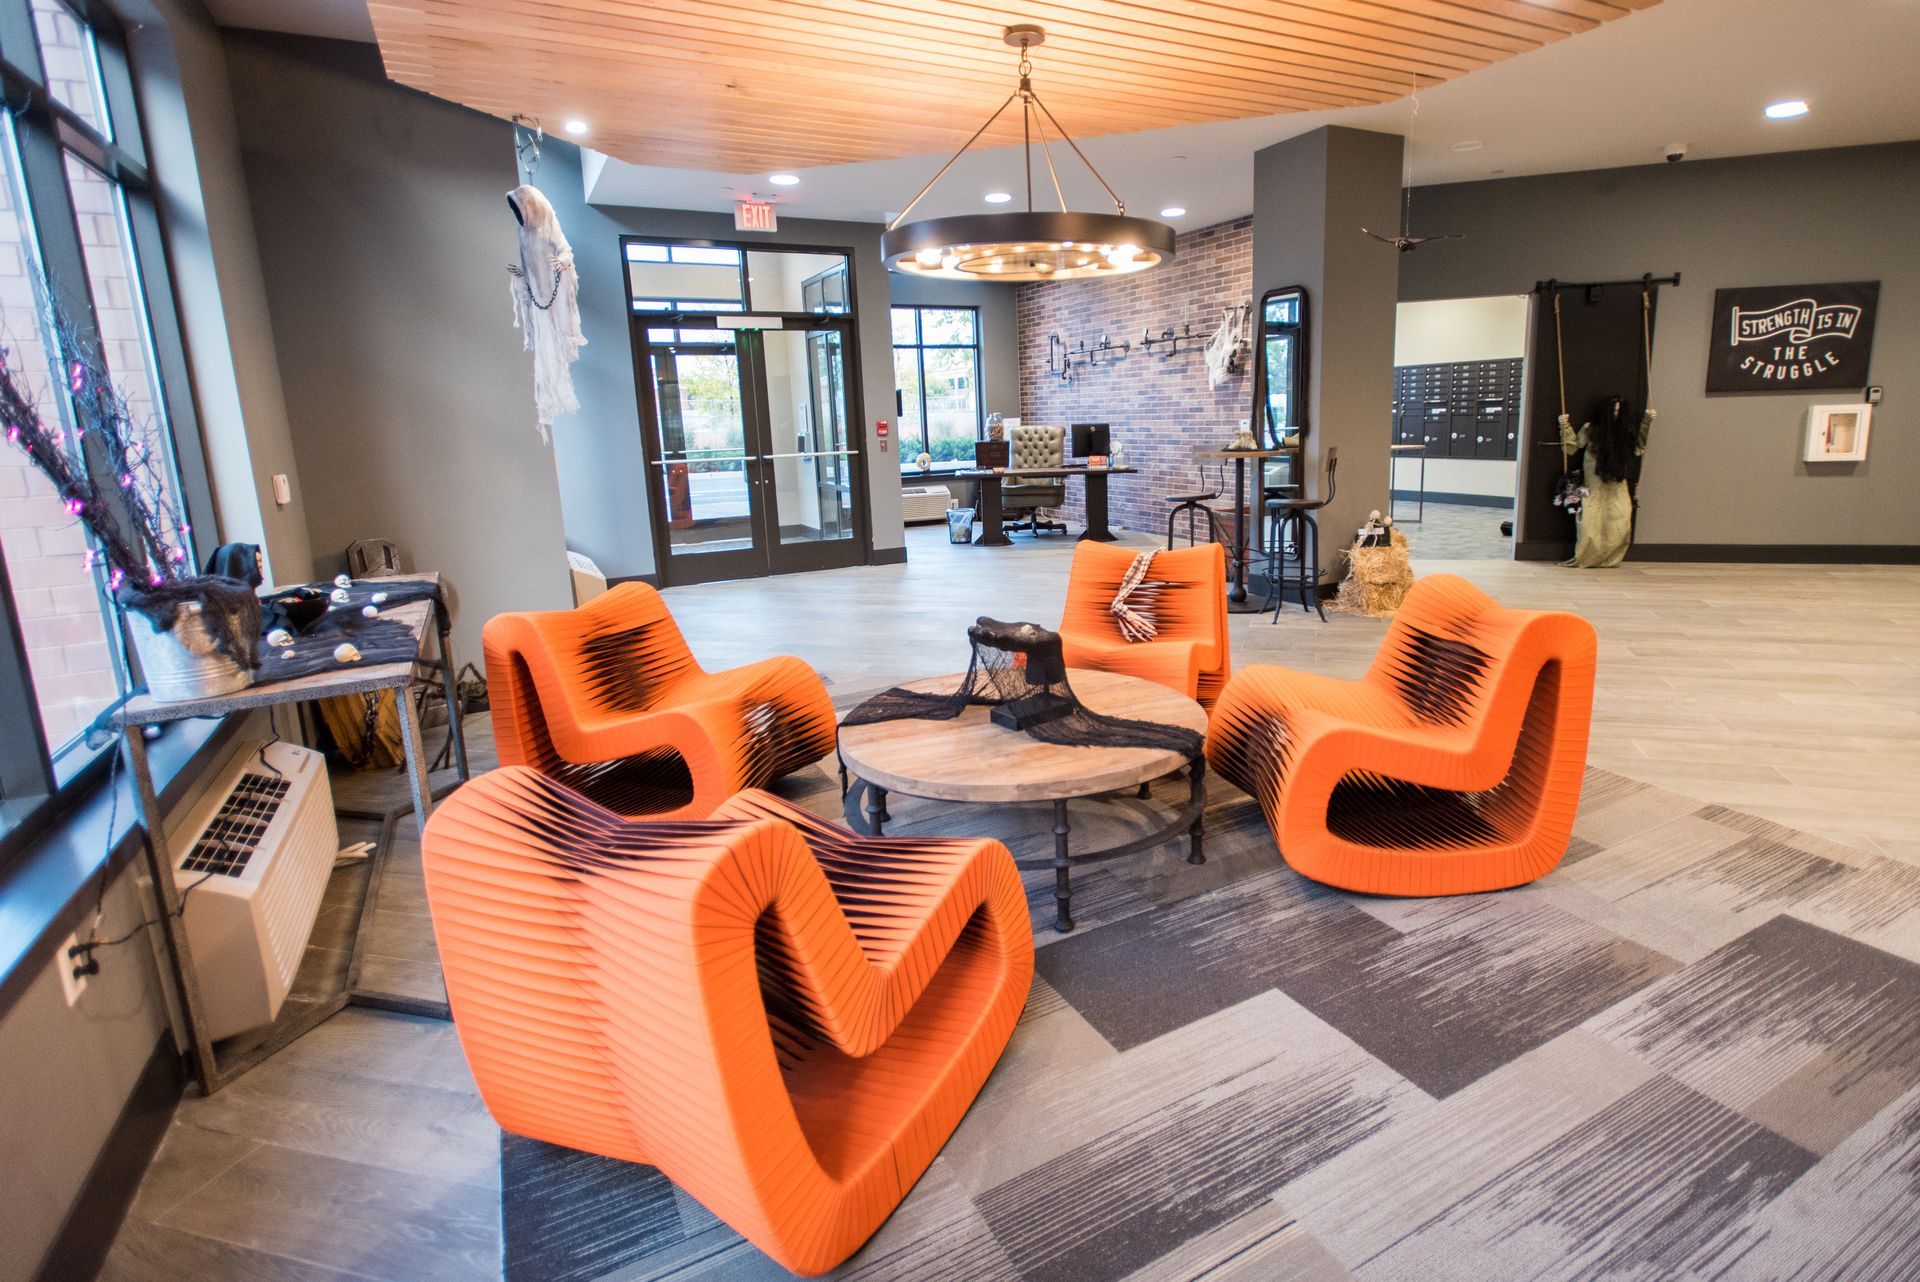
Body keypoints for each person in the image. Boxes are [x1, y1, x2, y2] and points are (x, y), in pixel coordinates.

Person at [1558, 396, 1653, 569]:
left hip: (1617, 482)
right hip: (1594, 483)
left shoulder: (1625, 433)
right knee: (1591, 520)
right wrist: (1565, 426)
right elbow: (1572, 447)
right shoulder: (1591, 429)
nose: (1615, 414)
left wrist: (1647, 423)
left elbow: (1639, 448)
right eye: (1612, 411)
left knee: (1619, 517)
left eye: (1618, 411)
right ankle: (1588, 555)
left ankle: (1609, 557)